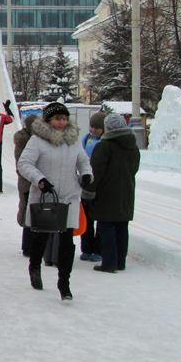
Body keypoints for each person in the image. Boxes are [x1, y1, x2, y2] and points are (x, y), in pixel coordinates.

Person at [18, 102, 92, 300]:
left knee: (67, 240)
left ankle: (64, 283)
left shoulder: (73, 140)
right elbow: (24, 163)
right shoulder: (37, 141)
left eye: (65, 118)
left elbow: (83, 161)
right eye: (58, 118)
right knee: (41, 236)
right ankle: (35, 267)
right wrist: (40, 180)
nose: (62, 122)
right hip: (46, 196)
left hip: (69, 196)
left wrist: (86, 174)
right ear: (49, 120)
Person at [85, 113, 141, 273]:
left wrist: (89, 191)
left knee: (106, 226)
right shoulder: (133, 147)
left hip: (106, 194)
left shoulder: (104, 146)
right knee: (122, 226)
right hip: (127, 192)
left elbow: (96, 172)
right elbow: (134, 168)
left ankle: (109, 262)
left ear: (108, 127)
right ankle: (120, 261)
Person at [79, 112, 106, 262]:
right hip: (87, 182)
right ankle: (86, 248)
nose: (94, 130)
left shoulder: (105, 142)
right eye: (92, 127)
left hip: (100, 184)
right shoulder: (86, 139)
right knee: (86, 218)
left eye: (98, 128)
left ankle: (98, 249)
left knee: (99, 218)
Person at [13, 114, 38, 257]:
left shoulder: (36, 140)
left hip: (34, 181)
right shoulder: (23, 141)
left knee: (35, 213)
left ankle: (33, 243)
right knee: (27, 212)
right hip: (27, 182)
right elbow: (21, 165)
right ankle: (27, 246)